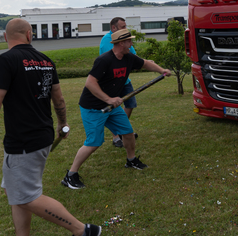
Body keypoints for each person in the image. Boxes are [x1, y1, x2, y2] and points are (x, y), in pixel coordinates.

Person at [0, 18, 101, 236]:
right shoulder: (45, 61)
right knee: (14, 191)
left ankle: (83, 232)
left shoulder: (5, 60)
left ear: (6, 37)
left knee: (25, 196)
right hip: (42, 136)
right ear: (29, 35)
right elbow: (59, 98)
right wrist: (63, 124)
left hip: (23, 141)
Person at [62, 29, 172, 189]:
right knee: (93, 142)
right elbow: (90, 83)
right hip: (94, 107)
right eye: (129, 41)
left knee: (127, 133)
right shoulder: (104, 60)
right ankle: (70, 175)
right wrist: (108, 99)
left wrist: (161, 70)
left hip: (112, 107)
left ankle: (131, 160)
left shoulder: (128, 58)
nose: (131, 44)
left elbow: (146, 63)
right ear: (121, 43)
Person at [99, 17, 137, 148]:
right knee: (113, 108)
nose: (125, 29)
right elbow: (110, 61)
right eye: (122, 27)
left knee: (130, 104)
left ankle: (123, 130)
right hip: (112, 82)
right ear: (113, 28)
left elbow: (133, 56)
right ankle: (116, 136)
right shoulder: (106, 41)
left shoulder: (126, 39)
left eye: (126, 26)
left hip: (125, 81)